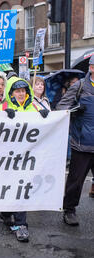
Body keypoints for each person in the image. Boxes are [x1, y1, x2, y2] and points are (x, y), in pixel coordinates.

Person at [0, 76, 49, 241]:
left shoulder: (36, 109)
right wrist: (2, 116)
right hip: (5, 158)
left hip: (26, 158)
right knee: (7, 187)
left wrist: (46, 117)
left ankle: (21, 224)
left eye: (23, 90)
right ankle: (6, 211)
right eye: (17, 91)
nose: (21, 93)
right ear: (11, 92)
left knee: (21, 189)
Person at [56, 55, 94, 226]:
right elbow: (61, 107)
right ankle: (69, 209)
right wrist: (74, 110)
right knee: (76, 181)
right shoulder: (79, 86)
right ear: (91, 68)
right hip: (82, 143)